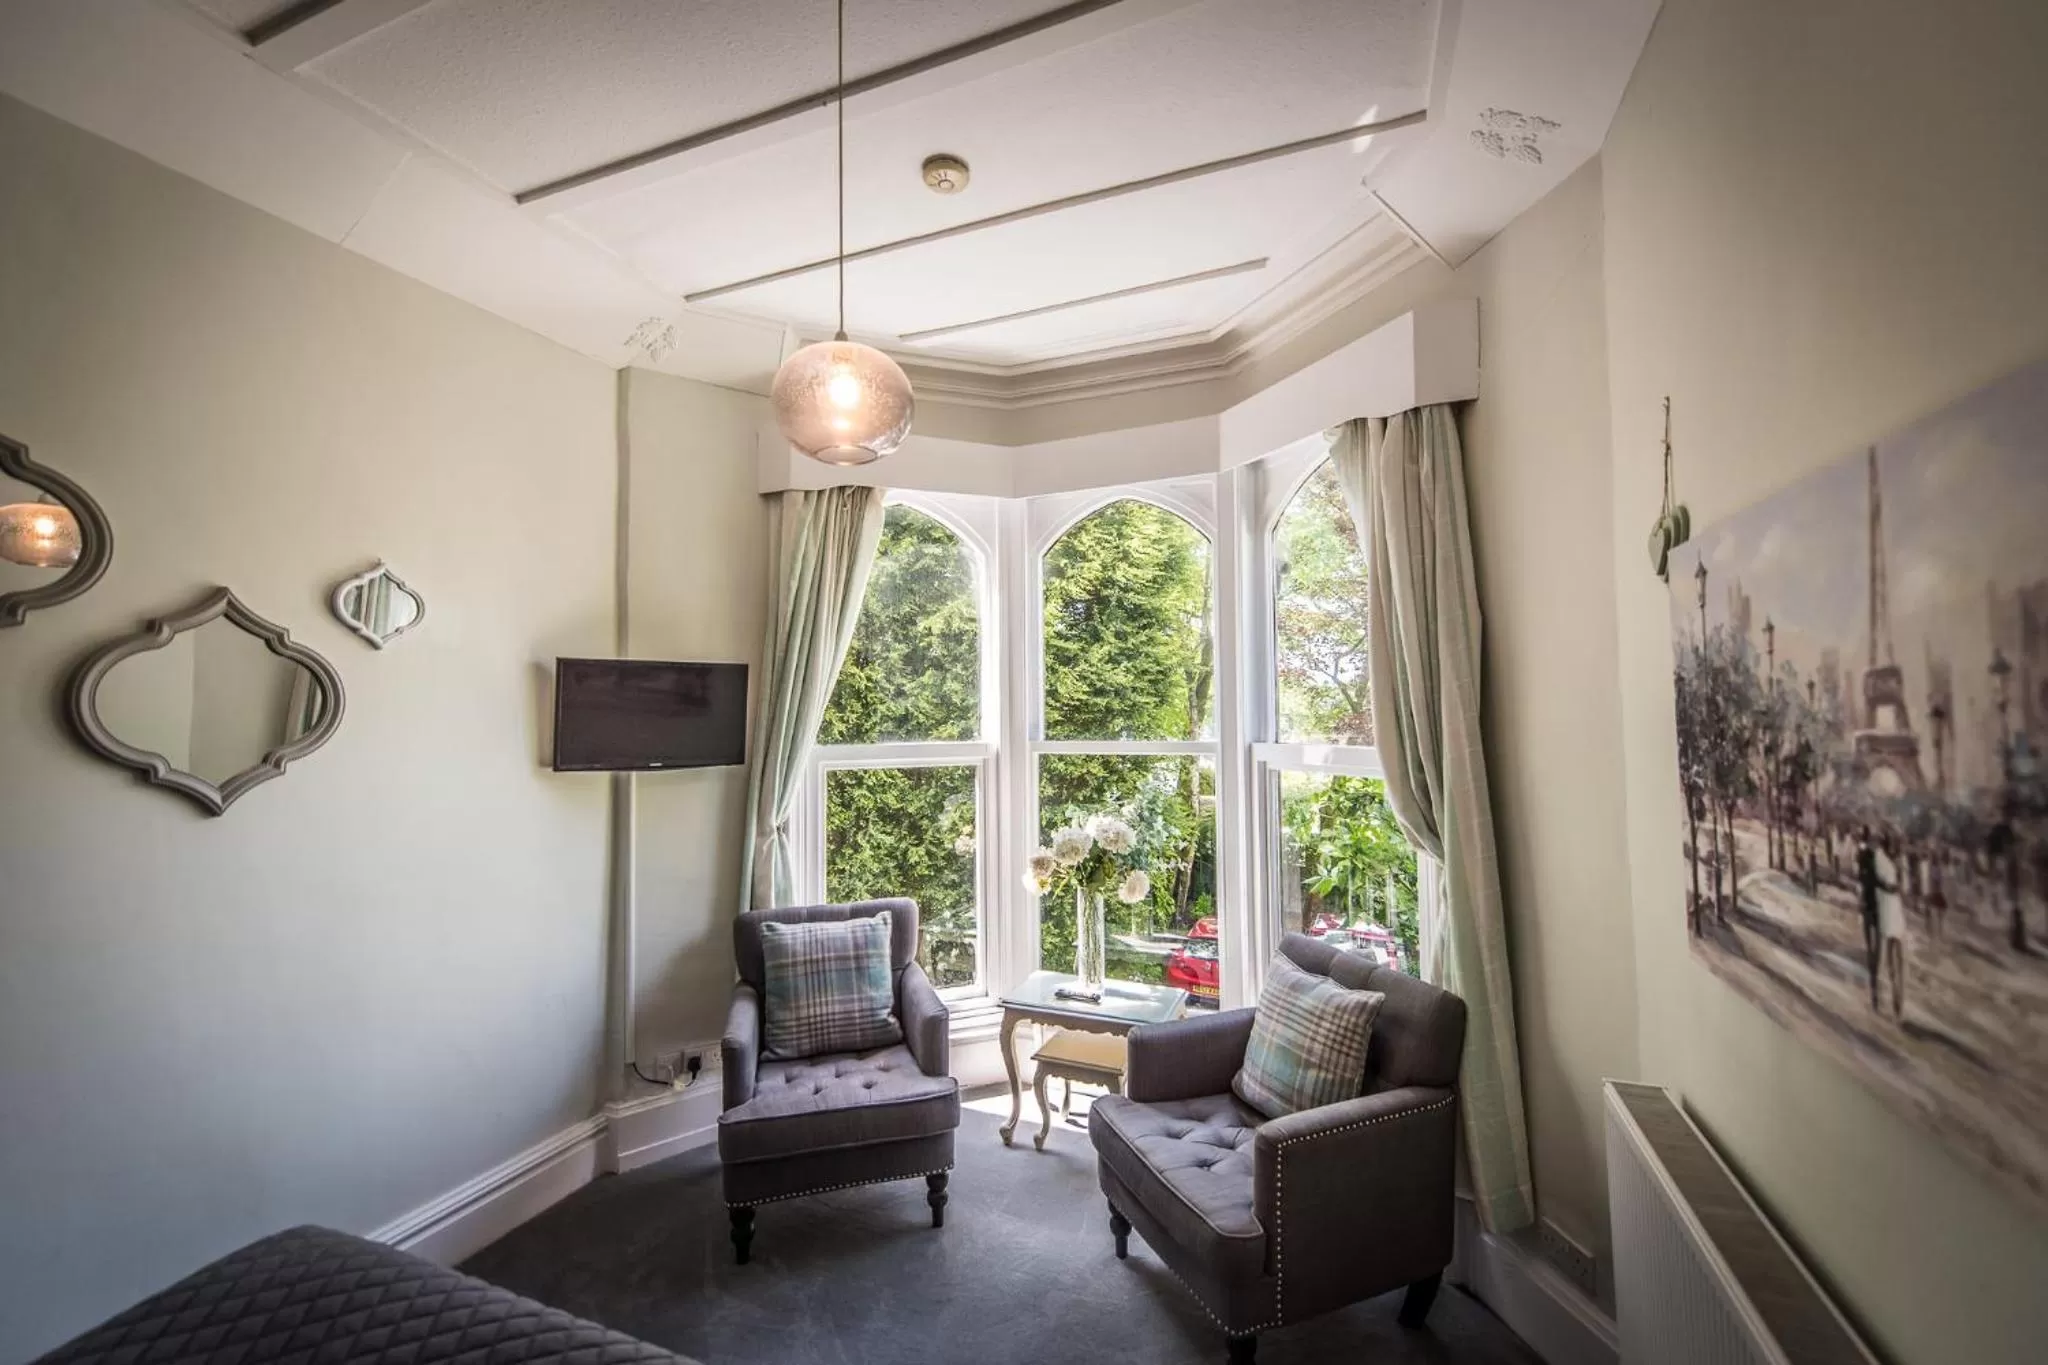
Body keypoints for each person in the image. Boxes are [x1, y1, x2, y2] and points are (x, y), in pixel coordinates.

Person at [1875, 833, 1908, 1019]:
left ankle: (1898, 995)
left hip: (1895, 908)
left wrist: (1897, 886)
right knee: (1891, 952)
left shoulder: (1897, 862)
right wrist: (1891, 888)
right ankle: (1893, 992)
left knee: (1897, 952)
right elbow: (1881, 883)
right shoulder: (1881, 859)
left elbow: (1901, 884)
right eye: (1893, 844)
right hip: (1887, 907)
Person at [1855, 827, 1882, 1010]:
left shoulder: (1861, 854)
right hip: (1875, 905)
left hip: (1867, 904)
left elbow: (1860, 879)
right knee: (1875, 949)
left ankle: (1873, 987)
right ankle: (1874, 985)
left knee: (1871, 948)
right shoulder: (1871, 855)